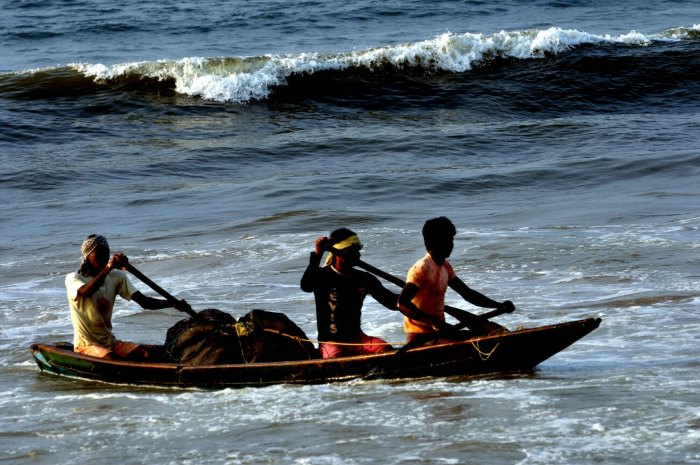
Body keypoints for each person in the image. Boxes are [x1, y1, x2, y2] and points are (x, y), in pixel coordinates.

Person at [65, 234, 192, 360]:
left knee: (148, 354)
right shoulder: (74, 278)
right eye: (99, 256)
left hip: (111, 343)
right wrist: (109, 267)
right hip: (86, 345)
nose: (104, 259)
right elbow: (86, 292)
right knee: (112, 359)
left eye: (106, 255)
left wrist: (172, 303)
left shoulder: (116, 277)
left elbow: (145, 302)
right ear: (87, 257)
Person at [398, 217, 515, 345]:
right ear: (435, 242)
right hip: (421, 338)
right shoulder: (421, 269)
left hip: (440, 332)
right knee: (474, 344)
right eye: (447, 240)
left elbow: (467, 293)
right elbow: (402, 303)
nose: (451, 245)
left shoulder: (445, 267)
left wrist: (498, 305)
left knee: (489, 336)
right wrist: (432, 323)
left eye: (452, 240)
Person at [300, 228, 398, 358]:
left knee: (387, 351)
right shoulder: (322, 276)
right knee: (338, 360)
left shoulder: (364, 278)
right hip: (330, 342)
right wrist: (318, 254)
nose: (358, 255)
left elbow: (391, 302)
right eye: (353, 250)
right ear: (339, 251)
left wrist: (415, 293)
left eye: (358, 250)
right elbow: (306, 286)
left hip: (357, 339)